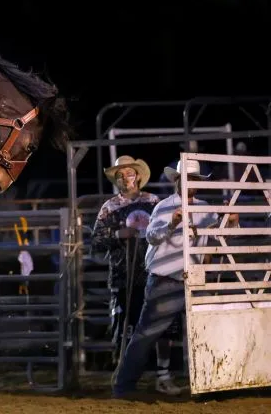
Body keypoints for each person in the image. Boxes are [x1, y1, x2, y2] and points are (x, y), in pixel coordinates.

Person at [112, 159, 239, 398]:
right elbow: (151, 236)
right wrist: (173, 223)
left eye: (194, 179)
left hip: (193, 279)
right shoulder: (165, 207)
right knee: (147, 334)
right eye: (187, 179)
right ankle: (123, 386)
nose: (190, 183)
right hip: (167, 279)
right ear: (178, 181)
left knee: (205, 332)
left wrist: (229, 223)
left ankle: (210, 385)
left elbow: (218, 239)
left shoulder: (204, 209)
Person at [91, 155, 180, 395]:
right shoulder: (109, 208)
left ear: (138, 176)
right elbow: (96, 242)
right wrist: (120, 235)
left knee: (163, 328)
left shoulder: (154, 203)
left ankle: (162, 375)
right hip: (122, 275)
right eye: (120, 175)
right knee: (125, 328)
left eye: (128, 173)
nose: (124, 179)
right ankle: (124, 376)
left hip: (154, 272)